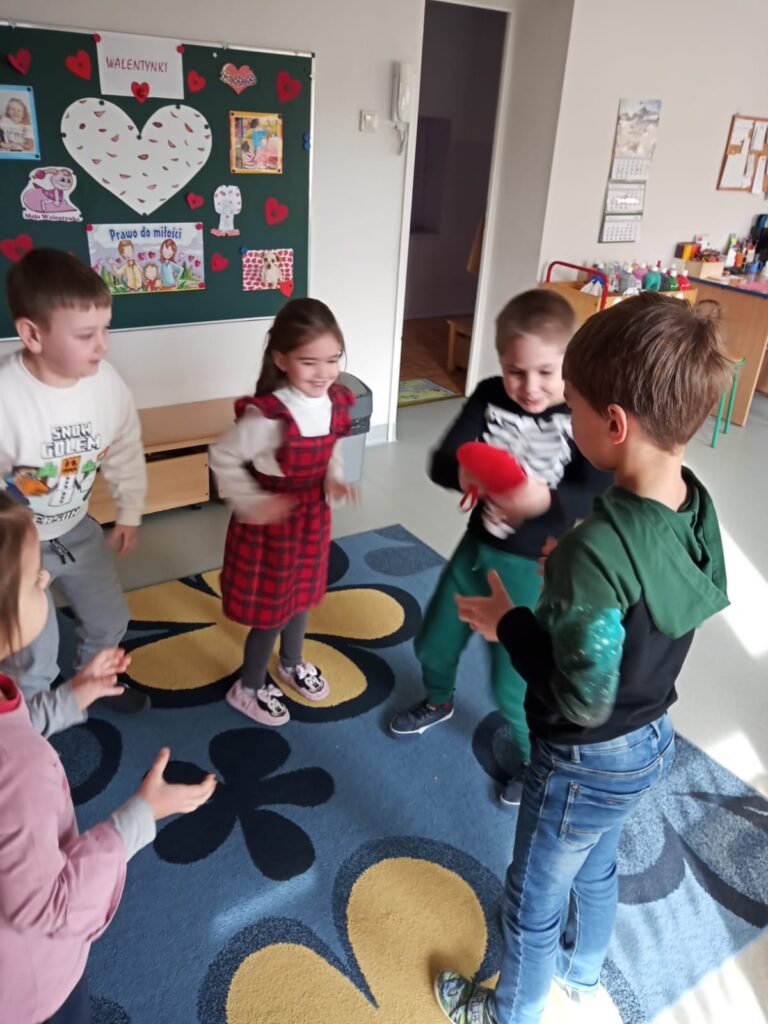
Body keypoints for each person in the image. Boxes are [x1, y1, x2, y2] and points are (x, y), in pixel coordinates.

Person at [434, 292, 731, 1024]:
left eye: (572, 406)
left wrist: (511, 623)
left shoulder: (594, 553)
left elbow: (579, 697)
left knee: (532, 898)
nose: (564, 418)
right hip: (651, 735)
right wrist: (579, 569)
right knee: (596, 864)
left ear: (614, 424)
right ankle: (582, 969)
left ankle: (510, 1015)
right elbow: (654, 595)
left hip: (584, 758)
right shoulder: (693, 503)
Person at [0, 492, 217, 1024]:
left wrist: (73, 696)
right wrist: (140, 815)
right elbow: (50, 909)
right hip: (29, 990)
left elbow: (14, 724)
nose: (45, 580)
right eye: (31, 578)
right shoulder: (20, 772)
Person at [390, 289, 611, 805]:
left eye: (545, 372)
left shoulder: (582, 412)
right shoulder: (490, 396)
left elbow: (597, 490)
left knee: (514, 682)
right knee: (434, 641)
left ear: (569, 365)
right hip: (477, 550)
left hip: (533, 570)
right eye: (515, 371)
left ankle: (537, 759)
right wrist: (464, 472)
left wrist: (544, 499)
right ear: (500, 363)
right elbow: (442, 459)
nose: (529, 387)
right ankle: (438, 700)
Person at [0, 248, 150, 717]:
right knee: (32, 651)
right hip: (17, 546)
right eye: (86, 334)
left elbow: (124, 445)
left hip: (77, 530)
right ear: (33, 334)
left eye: (105, 328)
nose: (102, 344)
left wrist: (129, 511)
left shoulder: (106, 383)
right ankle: (28, 726)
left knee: (110, 618)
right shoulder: (7, 396)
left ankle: (93, 684)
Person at [209, 298, 357, 726]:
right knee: (272, 611)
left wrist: (334, 479)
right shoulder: (269, 416)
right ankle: (248, 687)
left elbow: (332, 448)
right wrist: (253, 502)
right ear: (281, 359)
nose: (323, 372)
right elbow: (222, 456)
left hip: (312, 519)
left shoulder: (336, 401)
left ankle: (291, 663)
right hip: (270, 527)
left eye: (332, 359)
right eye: (309, 362)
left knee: (303, 595)